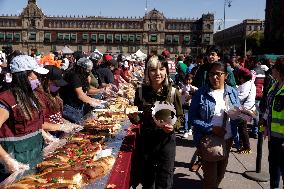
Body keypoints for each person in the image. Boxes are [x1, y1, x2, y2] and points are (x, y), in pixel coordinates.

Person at [129, 55, 183, 189]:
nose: (157, 73)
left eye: (161, 69)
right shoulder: (140, 92)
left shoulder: (173, 92)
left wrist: (174, 126)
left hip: (166, 141)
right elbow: (138, 118)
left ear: (166, 71)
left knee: (164, 179)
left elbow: (181, 117)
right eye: (153, 70)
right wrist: (132, 115)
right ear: (147, 72)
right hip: (147, 141)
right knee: (148, 180)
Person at [189, 62, 240, 189]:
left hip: (228, 139)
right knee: (210, 179)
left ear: (226, 76)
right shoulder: (201, 93)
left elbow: (237, 112)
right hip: (208, 139)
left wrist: (243, 115)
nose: (214, 77)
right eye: (212, 74)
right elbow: (192, 118)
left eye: (218, 74)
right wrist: (211, 128)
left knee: (220, 174)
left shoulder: (232, 92)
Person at [0, 55, 49, 181]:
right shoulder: (6, 100)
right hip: (15, 167)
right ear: (24, 76)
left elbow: (31, 124)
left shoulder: (30, 97)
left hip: (34, 157)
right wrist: (6, 159)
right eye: (34, 74)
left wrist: (46, 136)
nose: (37, 78)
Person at [262, 57, 284, 189]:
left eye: (275, 68)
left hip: (283, 139)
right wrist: (263, 123)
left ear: (281, 71)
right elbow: (269, 108)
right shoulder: (274, 85)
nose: (272, 70)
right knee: (273, 166)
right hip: (273, 136)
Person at [60, 57, 103, 123]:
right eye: (88, 70)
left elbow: (86, 90)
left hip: (78, 106)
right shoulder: (74, 76)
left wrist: (95, 100)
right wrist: (94, 103)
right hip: (71, 107)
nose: (89, 72)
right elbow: (81, 95)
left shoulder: (81, 75)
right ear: (82, 69)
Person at [235, 67, 256, 154]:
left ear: (242, 77)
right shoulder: (251, 83)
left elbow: (240, 97)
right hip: (249, 109)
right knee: (242, 128)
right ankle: (243, 146)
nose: (238, 79)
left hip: (245, 110)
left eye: (239, 77)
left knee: (242, 128)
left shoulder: (245, 85)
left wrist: (232, 98)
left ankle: (246, 148)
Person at [181, 73, 198, 138]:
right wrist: (182, 92)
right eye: (187, 79)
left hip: (191, 104)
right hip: (185, 104)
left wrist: (192, 94)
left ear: (191, 80)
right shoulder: (183, 86)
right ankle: (186, 131)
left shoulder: (193, 87)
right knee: (186, 118)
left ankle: (190, 129)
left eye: (189, 80)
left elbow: (197, 92)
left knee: (190, 118)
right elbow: (180, 92)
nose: (188, 81)